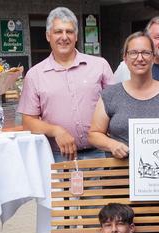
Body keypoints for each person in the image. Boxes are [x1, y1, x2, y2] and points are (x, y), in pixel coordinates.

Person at [18, 7, 113, 162]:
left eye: (69, 32)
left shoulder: (99, 65)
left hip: (100, 155)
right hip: (58, 158)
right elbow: (28, 123)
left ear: (76, 36)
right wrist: (56, 131)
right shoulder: (35, 75)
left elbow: (116, 106)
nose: (64, 37)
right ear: (48, 36)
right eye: (58, 32)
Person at [88, 32, 159, 159]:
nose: (140, 58)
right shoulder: (110, 94)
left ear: (153, 57)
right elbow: (94, 134)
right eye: (133, 53)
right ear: (125, 58)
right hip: (119, 174)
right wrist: (111, 144)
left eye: (145, 52)